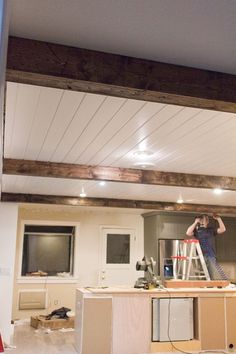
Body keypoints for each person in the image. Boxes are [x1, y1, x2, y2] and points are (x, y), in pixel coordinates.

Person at [186, 213, 227, 280]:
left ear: (207, 221)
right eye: (202, 219)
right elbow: (188, 232)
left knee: (210, 274)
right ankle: (203, 288)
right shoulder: (197, 230)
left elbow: (223, 229)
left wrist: (219, 219)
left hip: (211, 255)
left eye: (204, 219)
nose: (203, 221)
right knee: (202, 274)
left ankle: (210, 288)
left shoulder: (211, 229)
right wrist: (195, 222)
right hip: (200, 255)